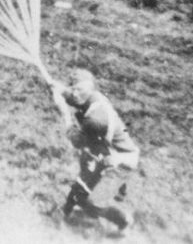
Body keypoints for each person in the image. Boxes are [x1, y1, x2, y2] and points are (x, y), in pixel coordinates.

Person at [59, 69, 139, 232]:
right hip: (104, 152)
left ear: (91, 89)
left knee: (93, 204)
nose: (75, 94)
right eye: (73, 88)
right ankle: (74, 211)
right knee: (81, 188)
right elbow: (76, 96)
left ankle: (124, 220)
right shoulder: (95, 98)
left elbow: (77, 140)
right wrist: (59, 89)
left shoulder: (95, 120)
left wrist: (65, 114)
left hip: (120, 163)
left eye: (79, 90)